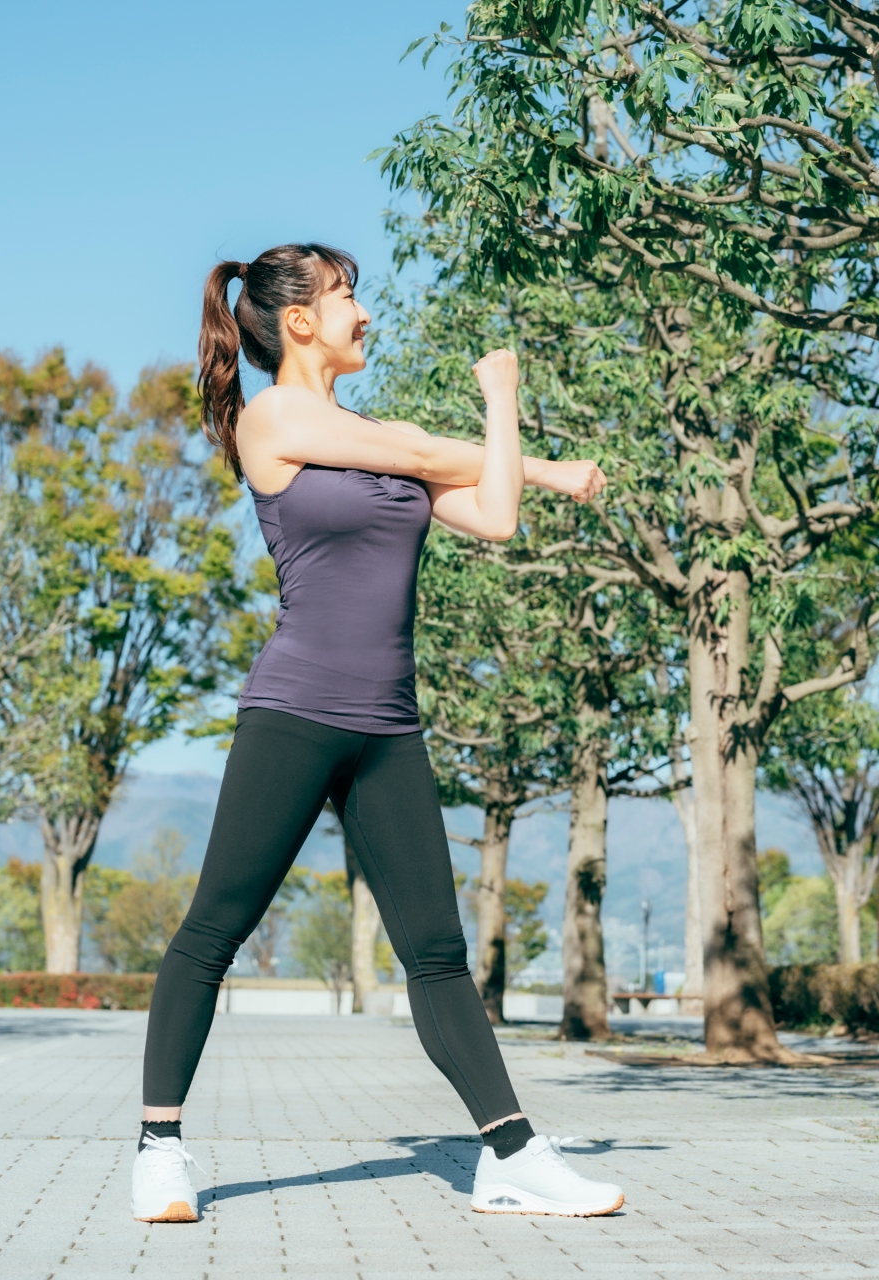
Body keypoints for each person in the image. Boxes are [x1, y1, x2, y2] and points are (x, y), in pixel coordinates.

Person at [130, 243, 621, 1223]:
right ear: (298, 320)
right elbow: (421, 454)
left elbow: (492, 511)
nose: (365, 311)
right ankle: (158, 1147)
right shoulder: (275, 417)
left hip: (388, 723)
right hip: (296, 709)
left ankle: (511, 1154)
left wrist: (505, 403)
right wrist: (558, 467)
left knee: (436, 950)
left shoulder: (367, 433)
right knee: (215, 927)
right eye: (347, 295)